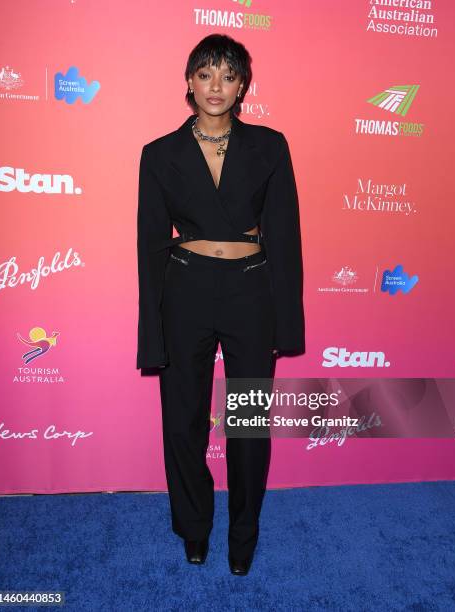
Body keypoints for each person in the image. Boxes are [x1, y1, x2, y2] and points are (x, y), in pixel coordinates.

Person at [137, 33, 305, 576]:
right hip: (184, 288)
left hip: (251, 290)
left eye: (228, 75)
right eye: (206, 74)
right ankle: (194, 527)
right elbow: (148, 246)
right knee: (183, 421)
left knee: (248, 422)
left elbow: (284, 234)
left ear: (242, 86)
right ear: (189, 82)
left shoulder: (269, 145)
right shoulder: (159, 154)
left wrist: (287, 322)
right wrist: (151, 334)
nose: (216, 86)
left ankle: (244, 535)